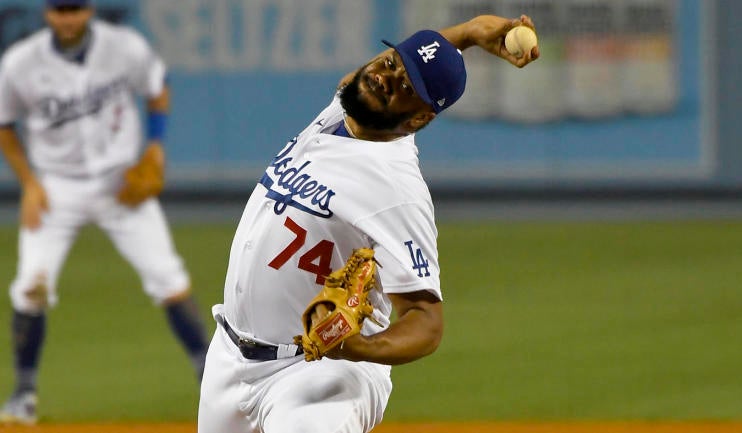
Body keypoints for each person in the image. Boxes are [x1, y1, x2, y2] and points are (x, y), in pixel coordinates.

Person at [196, 13, 539, 433]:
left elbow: (426, 321)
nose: (385, 76)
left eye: (404, 86)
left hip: (317, 373)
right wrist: (465, 35)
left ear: (417, 120)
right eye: (392, 62)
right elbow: (366, 79)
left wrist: (362, 347)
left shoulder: (397, 189)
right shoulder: (343, 111)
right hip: (229, 358)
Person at [0, 0, 210, 425]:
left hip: (121, 184)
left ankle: (212, 381)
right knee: (30, 289)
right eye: (60, 10)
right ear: (47, 14)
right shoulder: (20, 63)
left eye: (75, 9)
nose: (68, 18)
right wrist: (30, 185)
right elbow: (4, 123)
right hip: (56, 186)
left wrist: (155, 145)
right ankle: (23, 394)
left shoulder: (124, 47)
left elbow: (157, 86)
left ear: (89, 10)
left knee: (169, 280)